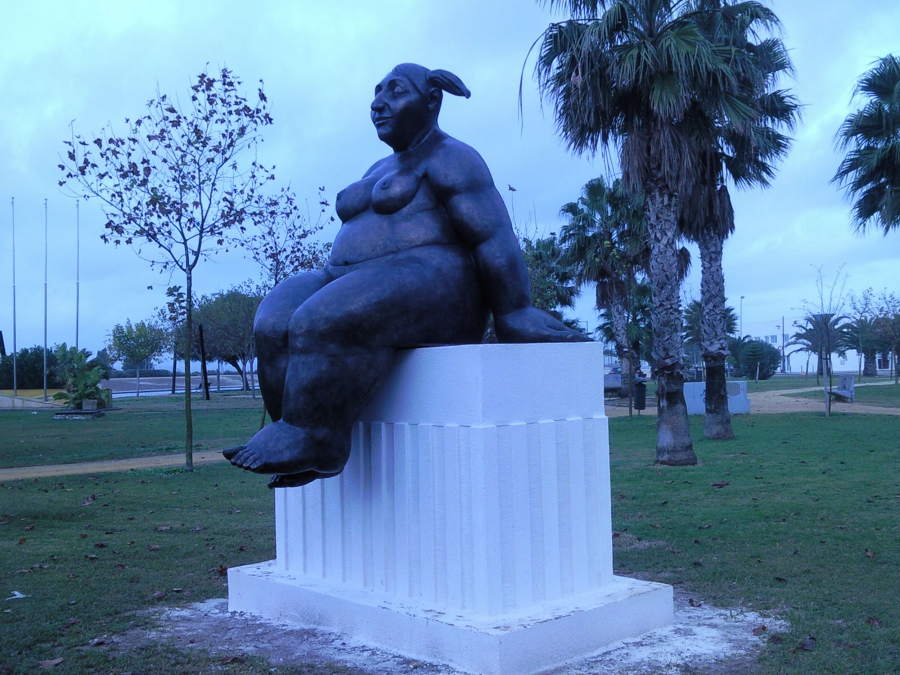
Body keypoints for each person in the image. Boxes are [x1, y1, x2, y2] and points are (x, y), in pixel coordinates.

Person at [225, 63, 586, 488]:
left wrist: (514, 310)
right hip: (352, 275)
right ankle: (292, 426)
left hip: (436, 283)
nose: (378, 103)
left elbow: (492, 235)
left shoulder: (453, 157)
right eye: (377, 92)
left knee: (318, 319)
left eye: (395, 92)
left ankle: (317, 439)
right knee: (273, 321)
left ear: (432, 99)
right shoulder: (378, 167)